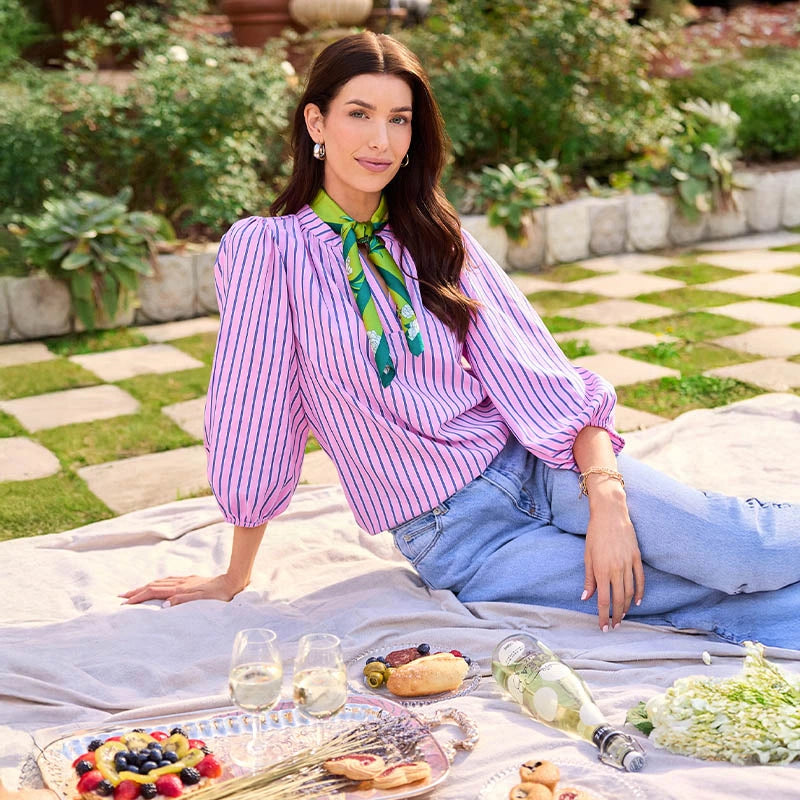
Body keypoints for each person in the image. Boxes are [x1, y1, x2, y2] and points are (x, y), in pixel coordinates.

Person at [122, 32, 800, 649]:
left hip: (544, 465)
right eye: (359, 113)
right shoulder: (266, 250)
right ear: (316, 122)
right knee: (675, 602)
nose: (380, 140)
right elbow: (256, 412)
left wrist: (608, 499)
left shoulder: (436, 234)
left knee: (748, 556)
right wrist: (234, 575)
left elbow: (540, 380)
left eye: (399, 119)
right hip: (459, 538)